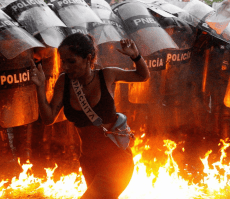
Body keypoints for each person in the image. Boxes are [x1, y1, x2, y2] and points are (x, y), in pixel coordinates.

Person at [30, 32, 149, 199]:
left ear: (88, 58)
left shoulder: (107, 75)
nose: (65, 67)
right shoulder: (64, 82)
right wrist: (40, 87)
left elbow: (143, 76)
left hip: (117, 161)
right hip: (88, 162)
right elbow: (49, 119)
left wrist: (136, 57)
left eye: (71, 61)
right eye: (63, 61)